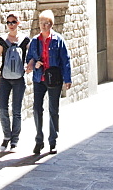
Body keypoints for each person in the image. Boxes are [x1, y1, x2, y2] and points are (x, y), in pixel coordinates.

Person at [26, 10, 72, 155]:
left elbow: (65, 60)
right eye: (41, 23)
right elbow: (29, 59)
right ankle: (39, 140)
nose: (43, 26)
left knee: (53, 110)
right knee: (37, 109)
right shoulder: (35, 41)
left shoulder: (58, 40)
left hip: (54, 80)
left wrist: (67, 79)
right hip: (39, 79)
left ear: (51, 24)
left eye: (46, 23)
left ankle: (53, 141)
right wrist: (34, 63)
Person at [0, 11, 30, 150]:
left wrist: (30, 65)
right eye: (8, 22)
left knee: (16, 110)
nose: (11, 25)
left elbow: (30, 57)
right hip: (4, 78)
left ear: (18, 23)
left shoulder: (25, 40)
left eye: (13, 22)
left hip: (19, 79)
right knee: (2, 108)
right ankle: (7, 136)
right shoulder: (2, 40)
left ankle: (15, 140)